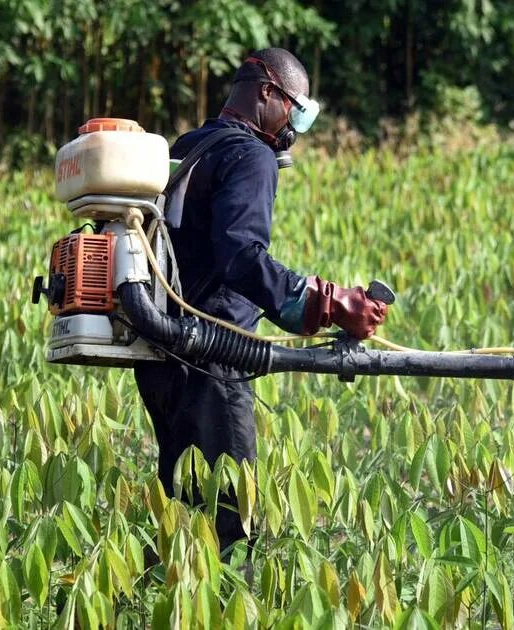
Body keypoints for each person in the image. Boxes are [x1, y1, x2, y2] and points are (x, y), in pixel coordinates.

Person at [133, 48, 388, 548]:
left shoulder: (193, 146)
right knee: (233, 523)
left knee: (185, 515)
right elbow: (241, 257)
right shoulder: (251, 155)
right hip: (214, 359)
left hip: (164, 361)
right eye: (298, 109)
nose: (296, 125)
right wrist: (325, 303)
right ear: (268, 93)